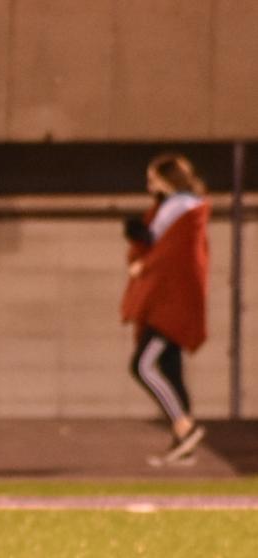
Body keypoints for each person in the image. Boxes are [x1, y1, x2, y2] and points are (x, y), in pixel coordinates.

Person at [121, 152, 209, 466]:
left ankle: (185, 427)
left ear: (166, 178)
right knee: (171, 370)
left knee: (142, 366)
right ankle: (183, 445)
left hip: (170, 305)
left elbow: (170, 252)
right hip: (172, 302)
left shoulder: (181, 206)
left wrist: (143, 260)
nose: (149, 184)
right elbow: (162, 244)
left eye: (153, 177)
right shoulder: (174, 206)